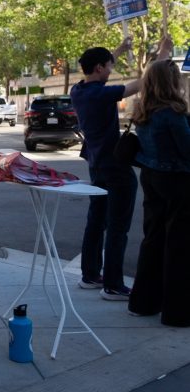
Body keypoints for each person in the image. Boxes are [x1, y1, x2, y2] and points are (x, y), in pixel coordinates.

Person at [71, 35, 172, 301]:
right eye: (108, 65)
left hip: (96, 164)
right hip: (115, 167)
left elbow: (104, 64)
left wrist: (119, 49)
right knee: (118, 226)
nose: (111, 69)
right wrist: (162, 56)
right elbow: (140, 84)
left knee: (96, 221)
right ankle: (114, 284)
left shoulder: (78, 90)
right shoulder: (102, 94)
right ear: (99, 69)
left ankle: (90, 275)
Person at [127, 59, 190, 326]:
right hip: (177, 180)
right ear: (171, 81)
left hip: (151, 177)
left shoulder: (142, 111)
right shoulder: (173, 113)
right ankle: (177, 312)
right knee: (179, 245)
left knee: (152, 238)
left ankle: (143, 302)